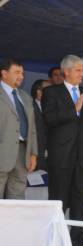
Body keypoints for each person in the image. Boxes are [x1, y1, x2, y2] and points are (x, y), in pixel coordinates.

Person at [42, 55, 83, 246]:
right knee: (58, 199)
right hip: (60, 155)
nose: (82, 74)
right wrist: (75, 109)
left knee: (80, 198)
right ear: (67, 71)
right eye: (78, 70)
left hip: (82, 155)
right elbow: (50, 119)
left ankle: (77, 241)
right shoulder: (51, 92)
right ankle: (54, 241)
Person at [0, 58, 38, 199]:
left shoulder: (25, 97)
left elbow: (32, 127)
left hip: (22, 152)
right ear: (4, 73)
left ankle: (12, 222)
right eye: (17, 72)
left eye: (22, 73)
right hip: (2, 150)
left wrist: (33, 153)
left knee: (17, 195)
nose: (21, 76)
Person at [30, 79, 50, 170]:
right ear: (39, 92)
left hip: (50, 156)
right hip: (32, 156)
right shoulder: (29, 107)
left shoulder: (53, 108)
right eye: (49, 90)